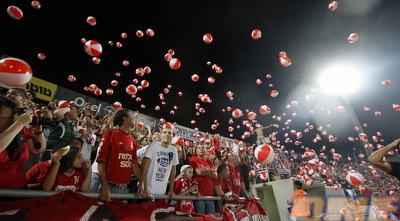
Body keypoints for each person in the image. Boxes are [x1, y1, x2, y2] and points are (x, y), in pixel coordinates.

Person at [96, 109, 146, 202]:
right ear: (125, 119)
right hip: (110, 188)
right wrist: (105, 187)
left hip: (125, 190)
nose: (132, 118)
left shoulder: (132, 140)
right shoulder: (109, 135)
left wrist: (141, 182)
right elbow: (101, 163)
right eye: (130, 116)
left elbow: (134, 165)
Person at [0, 96, 35, 189]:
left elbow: (38, 149)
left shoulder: (16, 132)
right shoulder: (16, 127)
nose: (12, 122)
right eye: (9, 118)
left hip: (19, 189)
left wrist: (39, 132)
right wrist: (19, 124)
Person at [141, 124, 179, 198]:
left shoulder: (173, 150)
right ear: (161, 134)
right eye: (164, 132)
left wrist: (171, 190)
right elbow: (143, 168)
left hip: (161, 192)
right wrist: (144, 188)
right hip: (147, 192)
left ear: (172, 136)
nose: (166, 135)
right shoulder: (153, 145)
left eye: (169, 133)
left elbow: (173, 172)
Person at [190, 143, 217, 214]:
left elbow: (215, 176)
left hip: (210, 195)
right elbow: (198, 172)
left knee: (211, 218)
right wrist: (209, 170)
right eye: (199, 148)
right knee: (201, 218)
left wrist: (204, 171)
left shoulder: (209, 161)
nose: (201, 149)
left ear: (206, 150)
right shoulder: (194, 159)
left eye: (203, 148)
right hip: (199, 196)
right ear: (196, 151)